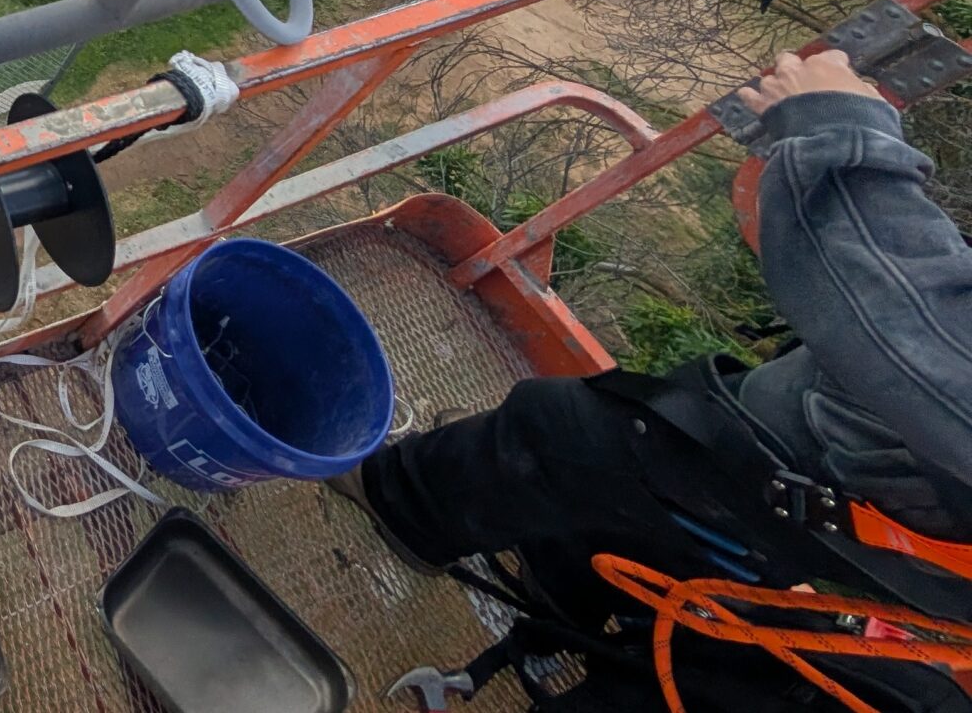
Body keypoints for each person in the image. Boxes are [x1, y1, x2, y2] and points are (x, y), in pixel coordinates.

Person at [343, 47, 972, 710]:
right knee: (707, 603)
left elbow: (919, 337)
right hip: (885, 528)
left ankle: (402, 502)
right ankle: (565, 595)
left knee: (568, 435)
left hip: (841, 503)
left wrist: (839, 130)